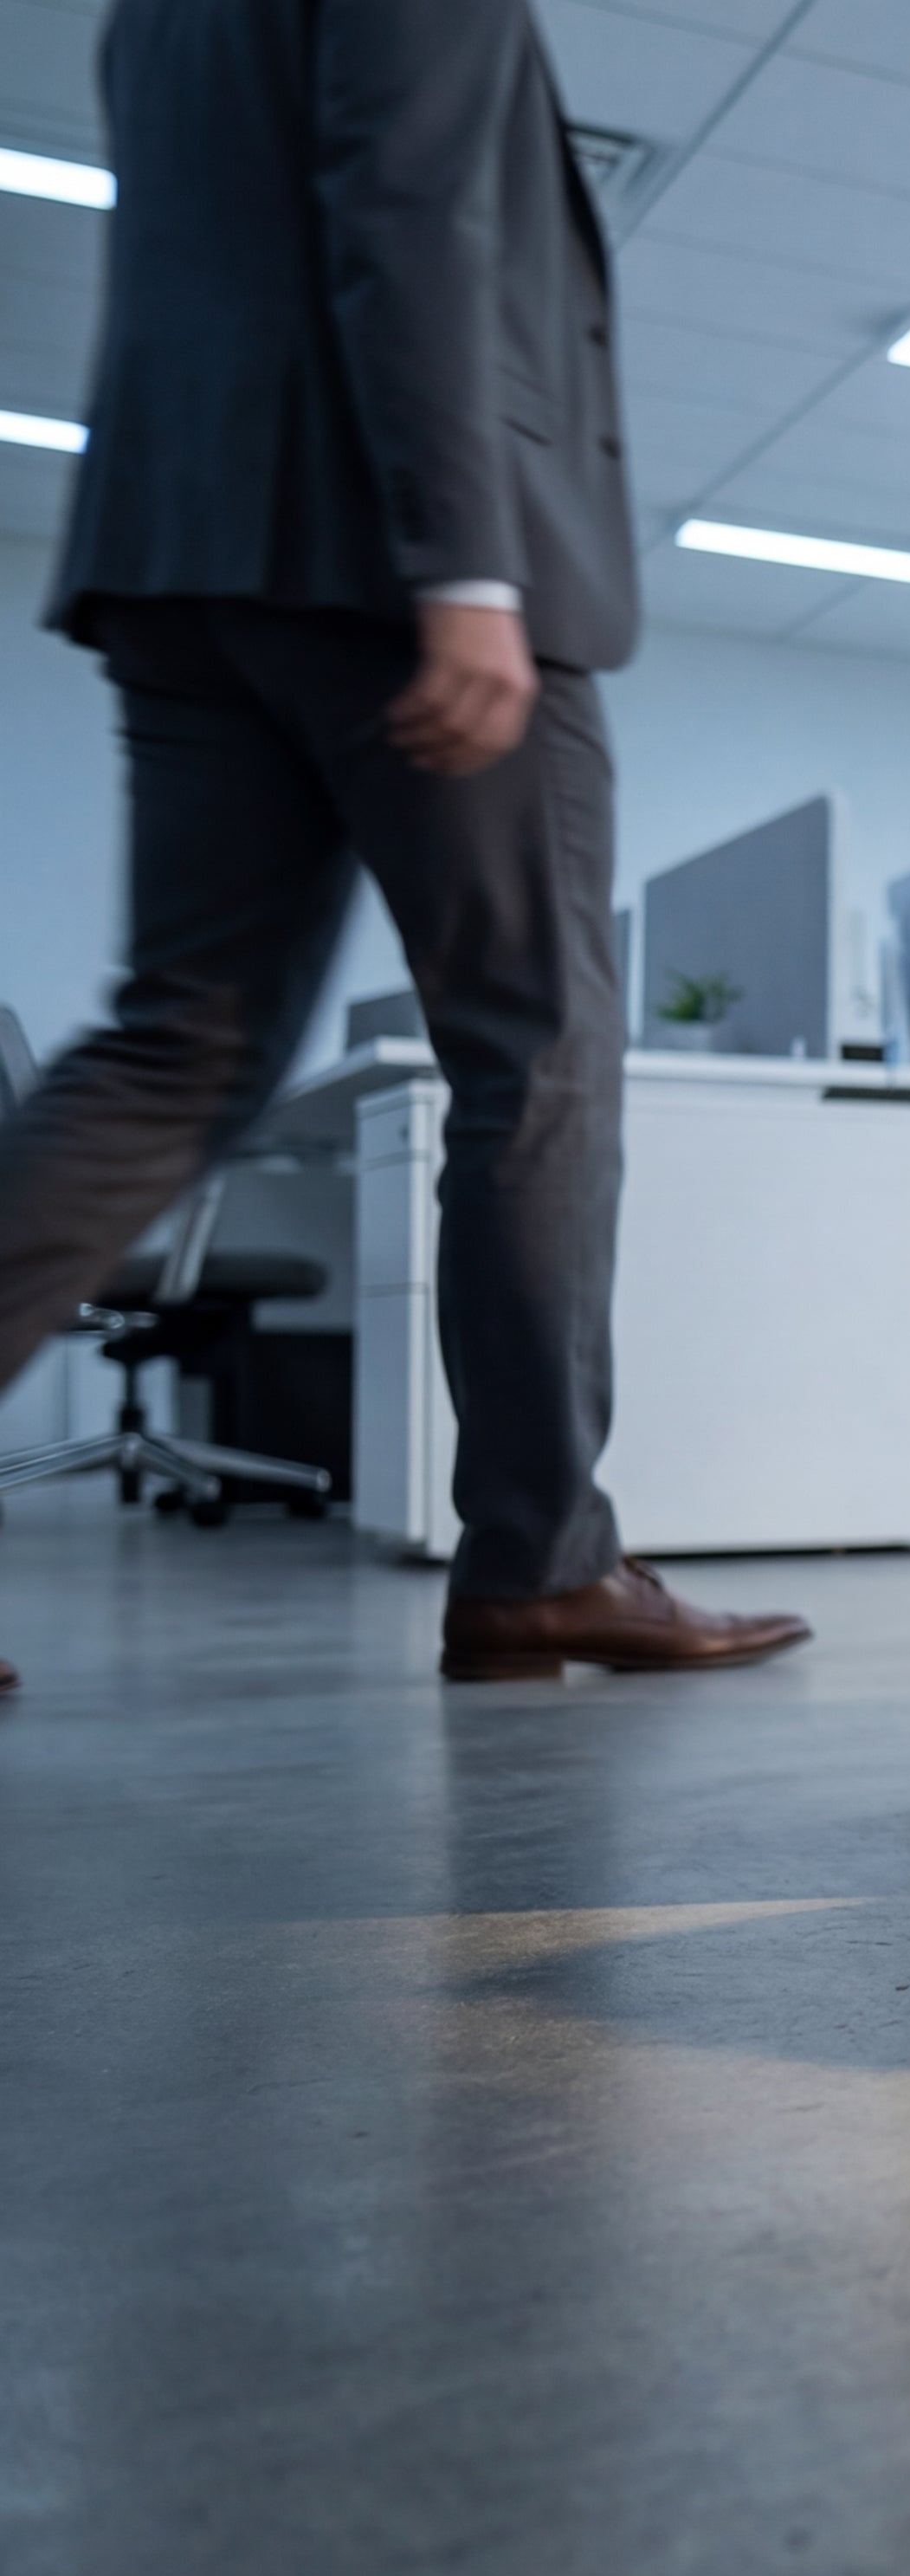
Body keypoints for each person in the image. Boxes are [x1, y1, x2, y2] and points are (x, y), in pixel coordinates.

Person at [0, 0, 804, 1690]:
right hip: (380, 546)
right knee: (537, 1054)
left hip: (175, 542)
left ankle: (540, 1557)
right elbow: (409, 209)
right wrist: (468, 567)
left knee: (177, 1045)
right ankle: (537, 1564)